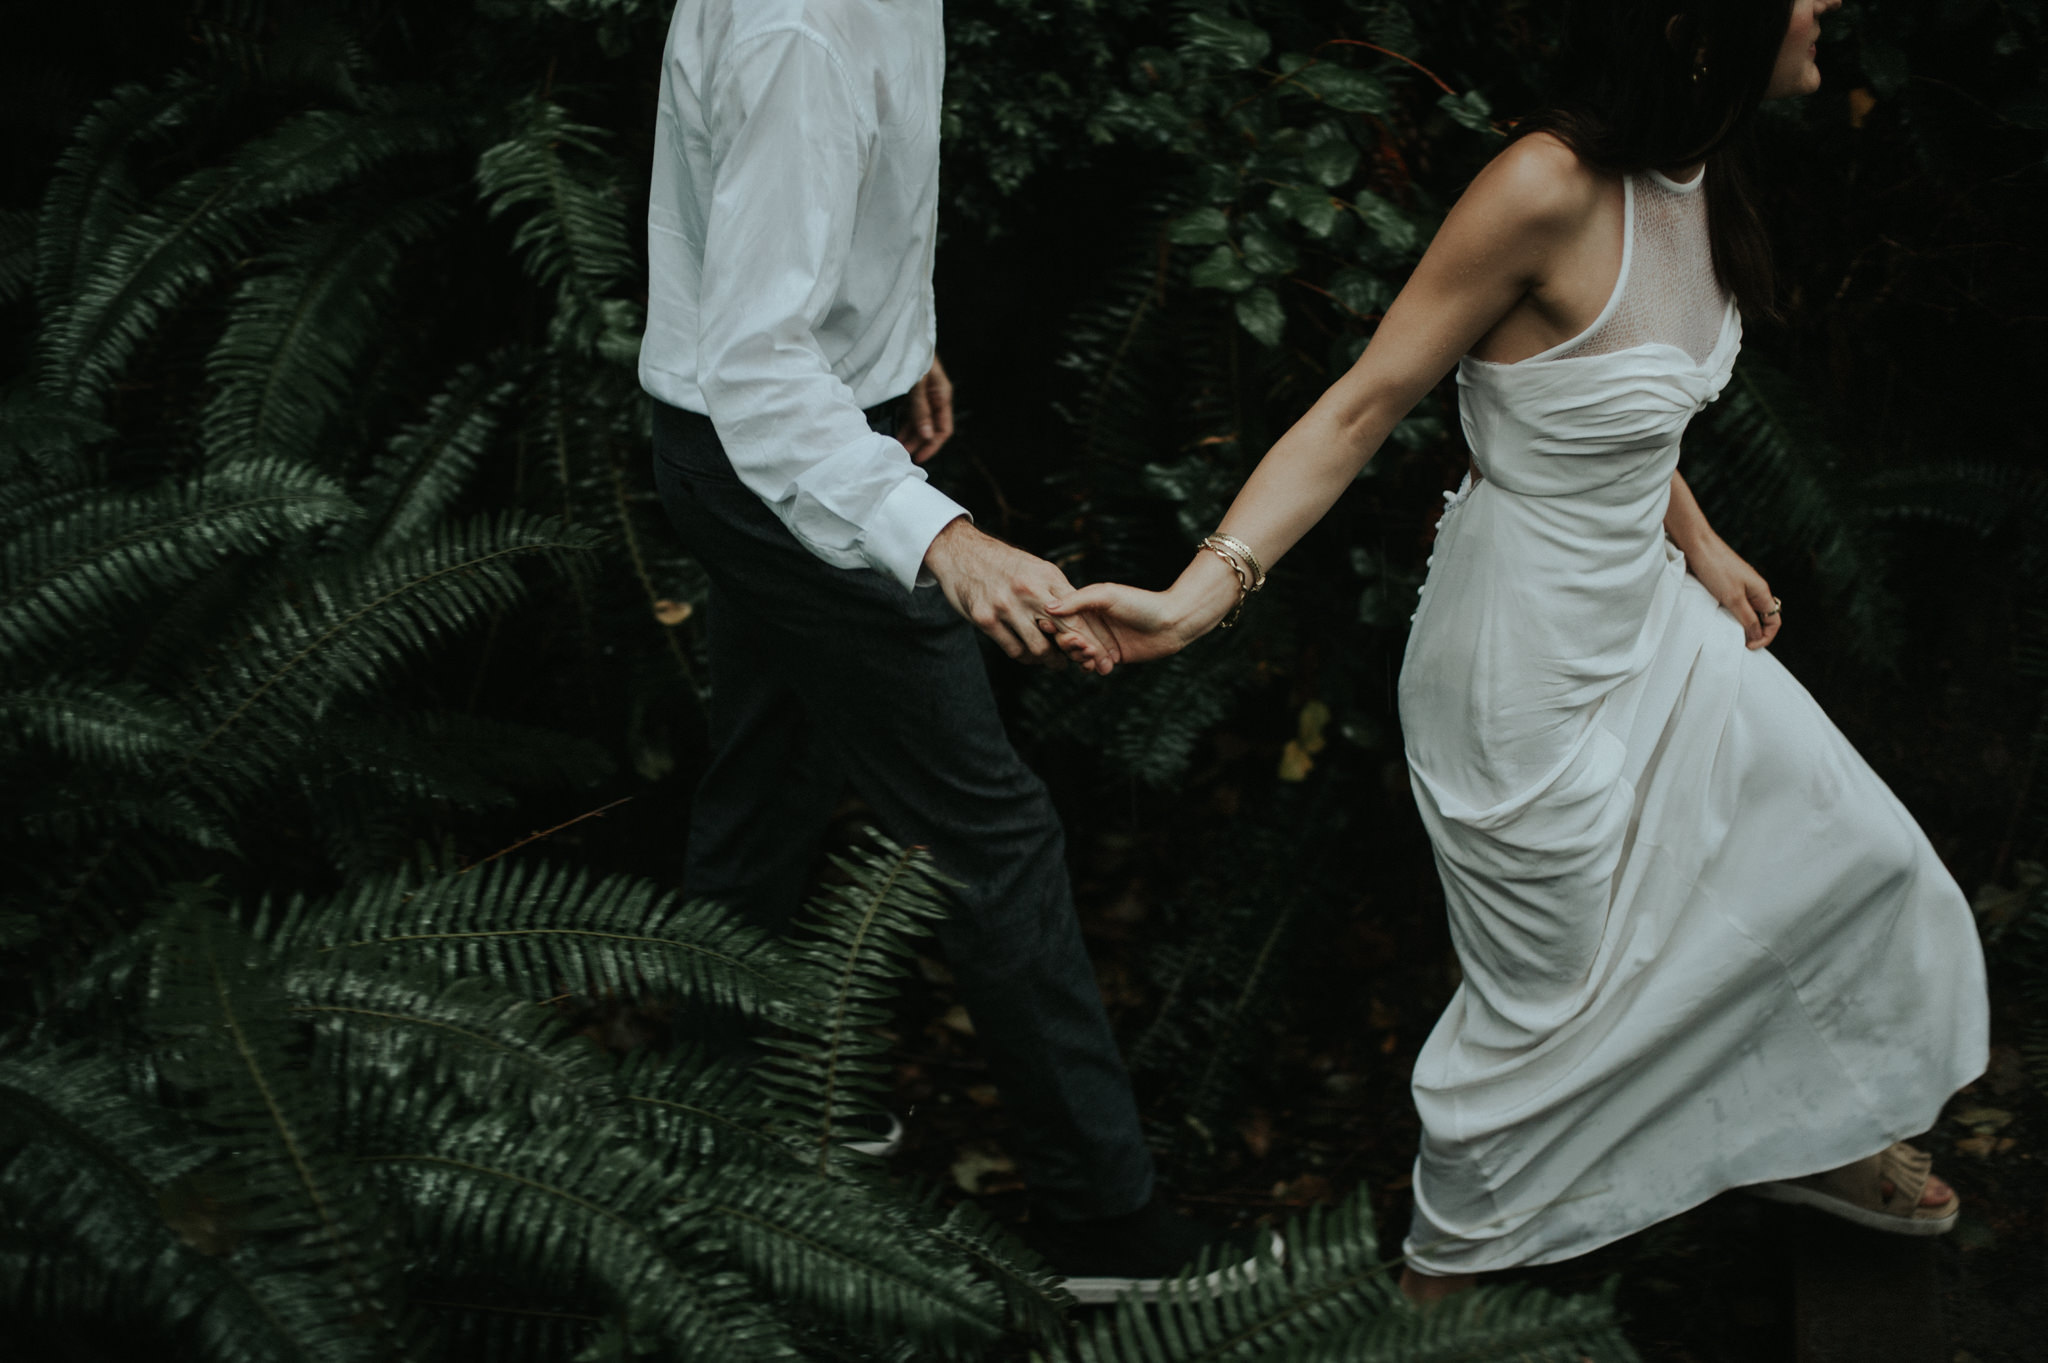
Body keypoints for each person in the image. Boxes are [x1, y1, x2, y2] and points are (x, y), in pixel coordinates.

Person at [1047, 0, 1989, 1303]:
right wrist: (1201, 595)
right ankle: (1441, 1290)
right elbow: (1363, 402)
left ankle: (1799, 1130)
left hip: (1651, 613)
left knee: (1865, 861)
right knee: (1543, 1017)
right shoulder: (1541, 187)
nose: (1829, 2)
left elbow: (1606, 400)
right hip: (1521, 670)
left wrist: (1699, 541)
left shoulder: (1697, 172)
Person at [636, 0, 1258, 1303]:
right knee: (991, 832)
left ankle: (721, 1111)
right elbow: (757, 367)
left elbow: (811, 230)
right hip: (770, 456)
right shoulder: (797, 33)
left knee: (769, 780)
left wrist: (897, 338)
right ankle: (1105, 1228)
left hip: (789, 428)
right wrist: (942, 542)